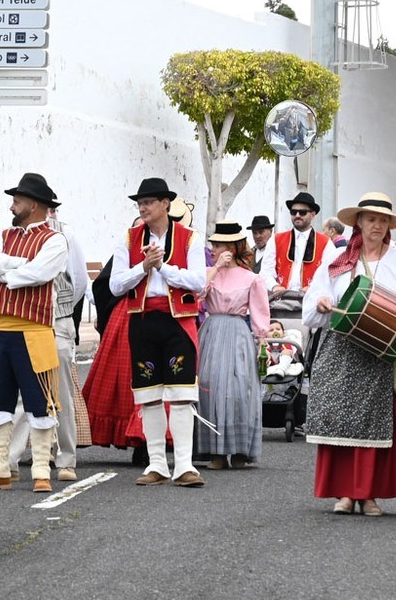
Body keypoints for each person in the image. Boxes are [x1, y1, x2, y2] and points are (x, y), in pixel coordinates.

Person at [302, 194, 396, 516]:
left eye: (383, 221)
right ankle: (346, 493)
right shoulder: (337, 259)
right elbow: (314, 301)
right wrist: (322, 301)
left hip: (379, 352)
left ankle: (369, 494)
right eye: (370, 219)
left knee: (373, 423)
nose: (377, 225)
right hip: (341, 349)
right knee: (339, 421)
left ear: (390, 226)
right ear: (358, 222)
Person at [0, 173, 71, 494]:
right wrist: (15, 264)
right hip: (1, 328)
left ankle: (41, 469)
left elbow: (40, 273)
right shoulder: (4, 235)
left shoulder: (55, 240)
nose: (12, 204)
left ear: (34, 204)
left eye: (18, 199)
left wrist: (8, 274)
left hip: (35, 330)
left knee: (41, 402)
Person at [109, 178, 209, 487]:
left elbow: (198, 282)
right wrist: (143, 267)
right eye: (140, 203)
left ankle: (183, 465)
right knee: (149, 395)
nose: (143, 207)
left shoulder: (190, 238)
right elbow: (115, 285)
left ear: (166, 204)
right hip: (142, 321)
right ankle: (156, 464)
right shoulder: (128, 238)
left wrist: (162, 266)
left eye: (149, 201)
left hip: (178, 321)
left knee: (181, 393)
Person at [196, 221, 270, 470]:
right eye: (213, 244)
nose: (213, 249)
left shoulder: (252, 278)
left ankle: (239, 450)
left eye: (218, 245)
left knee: (239, 389)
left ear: (232, 247)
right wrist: (215, 268)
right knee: (210, 385)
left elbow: (260, 312)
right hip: (212, 330)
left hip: (238, 332)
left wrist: (262, 342)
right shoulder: (209, 271)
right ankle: (215, 451)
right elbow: (197, 295)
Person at [42, 195, 90, 481]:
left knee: (61, 392)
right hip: (32, 320)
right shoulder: (18, 235)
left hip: (58, 319)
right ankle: (41, 451)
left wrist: (65, 312)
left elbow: (79, 279)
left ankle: (66, 457)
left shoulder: (65, 233)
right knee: (32, 391)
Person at [270, 193, 326, 300]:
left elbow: (328, 275)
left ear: (313, 215)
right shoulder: (276, 239)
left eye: (302, 212)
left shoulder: (325, 243)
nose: (297, 215)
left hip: (311, 301)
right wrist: (275, 286)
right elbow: (266, 271)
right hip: (281, 302)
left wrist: (313, 287)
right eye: (293, 212)